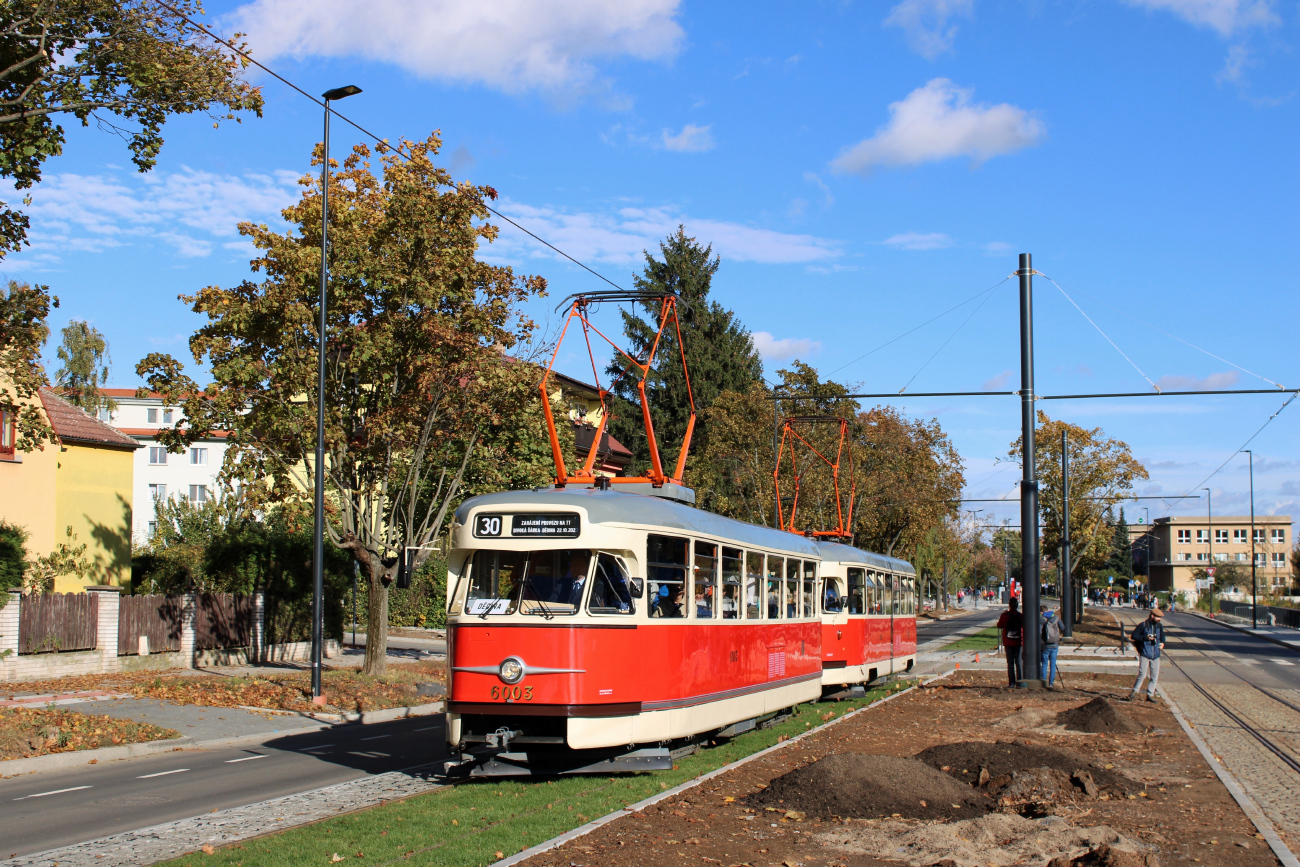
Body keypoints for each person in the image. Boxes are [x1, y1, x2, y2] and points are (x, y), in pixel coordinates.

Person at [1127, 607, 1166, 702]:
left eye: (1160, 617)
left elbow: (1162, 637)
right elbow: (1134, 636)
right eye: (1158, 617)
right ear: (1152, 616)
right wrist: (1145, 638)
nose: (1159, 619)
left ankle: (1150, 694)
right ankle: (1134, 692)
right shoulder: (1143, 625)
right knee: (1142, 674)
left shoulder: (1159, 626)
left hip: (1156, 654)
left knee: (1154, 676)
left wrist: (1162, 643)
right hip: (1145, 653)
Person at [996, 598, 1023, 687]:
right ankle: (1020, 681)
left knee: (1010, 662)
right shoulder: (1020, 616)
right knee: (1019, 661)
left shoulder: (1005, 615)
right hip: (1018, 641)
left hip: (1008, 641)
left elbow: (999, 625)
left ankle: (1011, 682)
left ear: (1009, 605)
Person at [1040, 604, 1062, 688]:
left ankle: (1043, 680)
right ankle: (1051, 682)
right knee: (1053, 664)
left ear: (1042, 612)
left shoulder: (1042, 619)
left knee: (1044, 663)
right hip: (1055, 644)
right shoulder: (1056, 618)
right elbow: (1063, 627)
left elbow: (1039, 632)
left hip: (1046, 644)